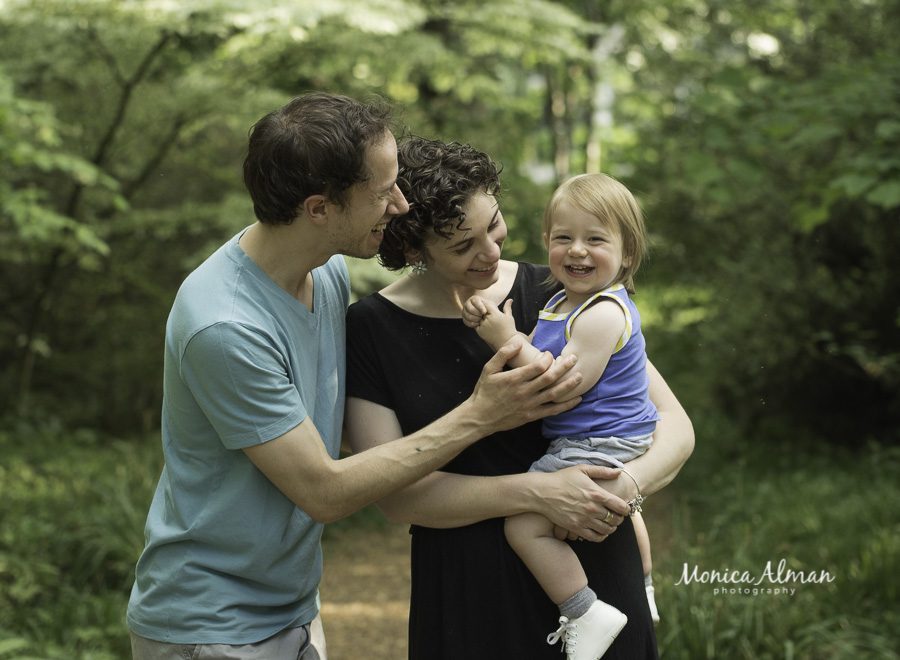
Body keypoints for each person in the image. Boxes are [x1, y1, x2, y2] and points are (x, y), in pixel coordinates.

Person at [125, 93, 586, 660]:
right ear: (320, 209)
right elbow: (324, 490)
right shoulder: (225, 325)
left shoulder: (328, 275)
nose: (399, 206)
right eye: (381, 192)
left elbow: (339, 431)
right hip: (214, 627)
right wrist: (480, 415)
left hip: (291, 607)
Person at [345, 137, 694, 659]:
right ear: (414, 250)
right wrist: (536, 494)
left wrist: (620, 486)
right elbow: (397, 495)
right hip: (469, 595)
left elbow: (673, 424)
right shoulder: (372, 329)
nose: (491, 251)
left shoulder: (561, 291)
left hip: (594, 572)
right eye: (463, 246)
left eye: (495, 224)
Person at [462, 173, 661, 659]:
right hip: (601, 438)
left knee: (523, 525)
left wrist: (504, 341)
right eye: (563, 238)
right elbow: (549, 354)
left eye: (596, 239)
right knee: (627, 510)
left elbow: (564, 383)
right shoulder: (561, 302)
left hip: (598, 441)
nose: (577, 250)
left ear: (627, 254)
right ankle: (647, 586)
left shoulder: (603, 313)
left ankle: (584, 610)